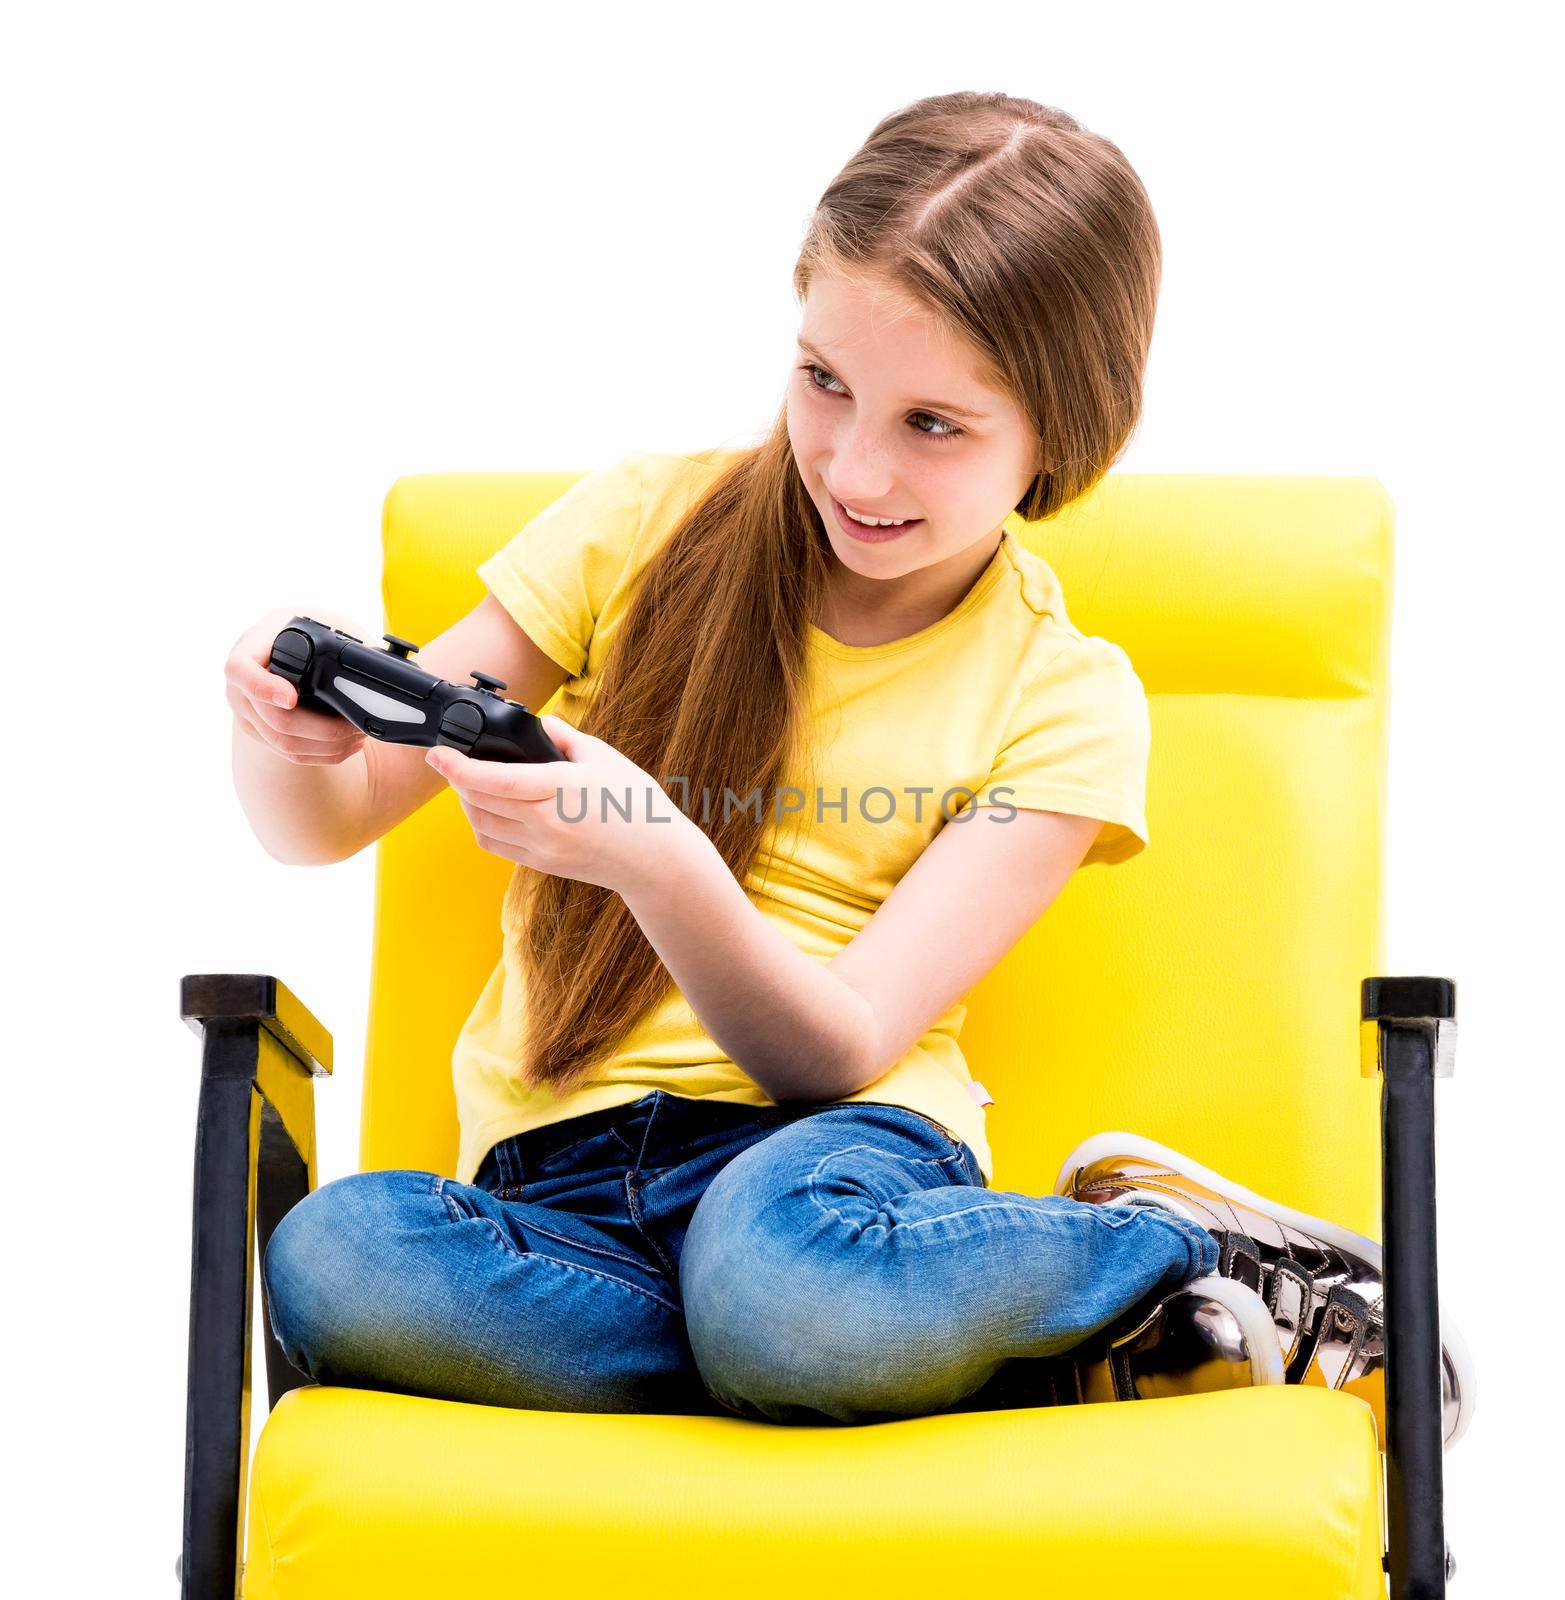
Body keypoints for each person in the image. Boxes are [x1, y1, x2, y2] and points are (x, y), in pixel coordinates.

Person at [225, 91, 1303, 1427]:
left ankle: (1183, 1253)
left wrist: (655, 860)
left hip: (833, 1166)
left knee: (781, 1277)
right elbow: (323, 823)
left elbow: (834, 1054)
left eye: (933, 425)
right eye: (824, 381)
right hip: (552, 1195)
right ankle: (850, 1355)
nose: (853, 466)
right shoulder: (640, 524)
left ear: (1062, 434)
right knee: (336, 1257)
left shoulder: (1064, 697)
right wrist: (281, 727)